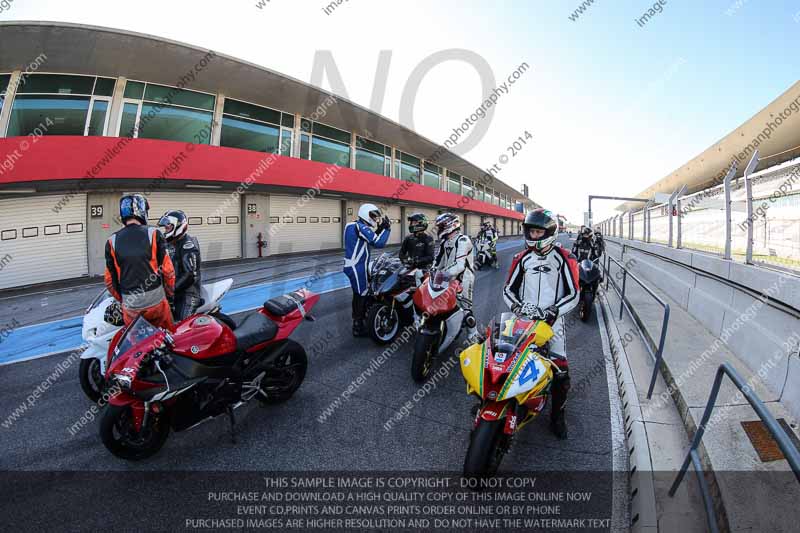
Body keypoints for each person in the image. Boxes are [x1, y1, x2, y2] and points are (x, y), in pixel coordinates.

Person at [503, 208, 579, 439]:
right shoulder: (521, 258)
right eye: (530, 231)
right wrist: (516, 307)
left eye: (537, 232)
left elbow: (574, 293)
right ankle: (494, 405)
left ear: (549, 232)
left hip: (551, 323)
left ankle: (557, 416)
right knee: (502, 359)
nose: (533, 236)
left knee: (560, 370)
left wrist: (554, 311)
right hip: (521, 320)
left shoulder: (565, 258)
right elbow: (508, 289)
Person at [105, 194, 176, 331]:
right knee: (168, 337)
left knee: (136, 344)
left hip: (131, 306)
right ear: (142, 212)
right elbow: (168, 271)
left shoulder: (111, 241)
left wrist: (124, 300)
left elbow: (109, 281)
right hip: (157, 303)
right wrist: (169, 295)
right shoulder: (154, 234)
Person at [343, 203, 391, 336]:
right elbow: (379, 243)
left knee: (358, 294)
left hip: (353, 265)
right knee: (361, 294)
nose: (375, 219)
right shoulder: (361, 226)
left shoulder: (352, 225)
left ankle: (360, 319)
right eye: (373, 216)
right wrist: (386, 229)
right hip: (357, 266)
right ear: (366, 213)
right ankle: (358, 326)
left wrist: (380, 229)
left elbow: (369, 238)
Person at [432, 213, 478, 344]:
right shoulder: (445, 242)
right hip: (447, 275)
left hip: (464, 277)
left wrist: (441, 273)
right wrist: (433, 270)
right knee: (437, 300)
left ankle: (473, 335)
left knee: (465, 308)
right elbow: (438, 261)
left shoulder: (463, 240)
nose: (439, 229)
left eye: (441, 226)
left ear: (451, 225)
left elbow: (459, 265)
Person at [158, 210, 202, 322]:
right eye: (166, 228)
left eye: (168, 227)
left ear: (178, 226)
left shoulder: (188, 245)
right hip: (172, 293)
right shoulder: (169, 243)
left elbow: (190, 275)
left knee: (181, 327)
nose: (165, 230)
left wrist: (170, 290)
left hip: (187, 294)